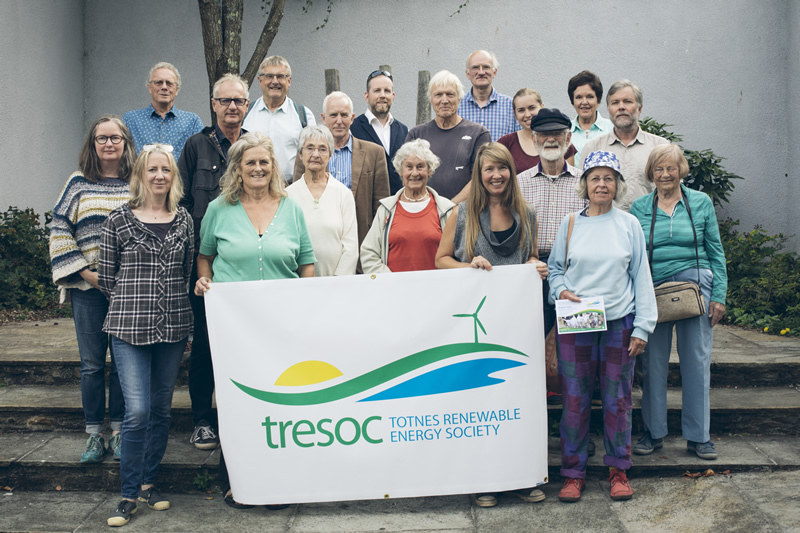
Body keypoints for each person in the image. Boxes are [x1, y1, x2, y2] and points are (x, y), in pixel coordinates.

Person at [194, 131, 315, 509]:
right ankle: (236, 480)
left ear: (273, 166)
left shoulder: (291, 206)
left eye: (265, 162)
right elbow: (205, 257)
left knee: (281, 402)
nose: (259, 168)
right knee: (238, 403)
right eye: (250, 163)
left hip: (282, 327)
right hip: (237, 328)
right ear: (238, 169)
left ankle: (281, 481)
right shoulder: (219, 209)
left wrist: (305, 306)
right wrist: (205, 282)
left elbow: (306, 262)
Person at [435, 142, 548, 509]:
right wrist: (469, 267)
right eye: (488, 170)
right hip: (477, 329)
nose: (496, 175)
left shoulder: (526, 213)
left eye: (502, 168)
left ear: (510, 172)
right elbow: (440, 260)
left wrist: (536, 265)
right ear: (479, 175)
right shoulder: (463, 213)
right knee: (480, 406)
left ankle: (522, 476)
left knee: (517, 403)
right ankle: (484, 479)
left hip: (516, 327)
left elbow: (529, 256)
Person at [547, 150, 657, 503]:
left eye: (609, 178)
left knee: (617, 399)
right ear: (585, 184)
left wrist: (642, 327)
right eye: (595, 177)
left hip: (618, 322)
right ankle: (573, 472)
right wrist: (561, 289)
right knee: (575, 399)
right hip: (577, 320)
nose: (602, 184)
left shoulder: (628, 225)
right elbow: (555, 271)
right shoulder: (571, 224)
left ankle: (618, 469)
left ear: (618, 185)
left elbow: (641, 275)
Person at [99, 144, 193, 527]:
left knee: (161, 409)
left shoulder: (184, 219)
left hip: (172, 326)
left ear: (173, 176)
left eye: (165, 170)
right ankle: (127, 492)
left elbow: (186, 272)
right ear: (140, 175)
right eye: (152, 169)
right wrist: (135, 302)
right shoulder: (118, 221)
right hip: (128, 327)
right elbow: (107, 278)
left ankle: (149, 483)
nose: (159, 176)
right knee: (136, 411)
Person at [630, 144, 728, 460]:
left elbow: (716, 252)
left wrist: (719, 296)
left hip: (696, 290)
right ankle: (653, 432)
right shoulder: (640, 207)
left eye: (671, 168)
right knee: (652, 364)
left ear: (681, 170)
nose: (665, 174)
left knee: (696, 363)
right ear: (651, 173)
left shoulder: (700, 203)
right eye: (659, 169)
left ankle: (699, 437)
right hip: (653, 290)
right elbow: (633, 256)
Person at [49, 114, 135, 464]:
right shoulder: (78, 183)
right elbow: (59, 227)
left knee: (124, 362)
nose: (109, 143)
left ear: (126, 143)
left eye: (116, 138)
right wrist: (84, 272)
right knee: (92, 365)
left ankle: (118, 432)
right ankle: (93, 435)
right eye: (102, 138)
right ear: (93, 144)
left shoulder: (137, 181)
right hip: (88, 288)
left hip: (129, 290)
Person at [178, 73, 250, 451]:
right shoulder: (195, 146)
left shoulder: (256, 145)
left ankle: (244, 416)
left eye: (239, 101)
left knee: (248, 343)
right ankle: (203, 420)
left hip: (248, 262)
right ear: (214, 104)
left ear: (247, 105)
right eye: (225, 101)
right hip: (206, 263)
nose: (232, 107)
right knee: (205, 343)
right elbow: (182, 200)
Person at [516, 108, 586, 405]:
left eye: (557, 133)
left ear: (569, 137)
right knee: (531, 348)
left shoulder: (586, 182)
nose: (550, 139)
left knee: (577, 349)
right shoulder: (519, 183)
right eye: (544, 134)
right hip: (531, 272)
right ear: (534, 139)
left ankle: (579, 422)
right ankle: (536, 418)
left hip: (577, 274)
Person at [293, 91, 390, 254]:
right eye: (333, 115)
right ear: (323, 118)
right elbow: (298, 198)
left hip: (362, 243)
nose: (339, 121)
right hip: (316, 244)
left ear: (352, 118)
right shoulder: (307, 156)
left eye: (344, 115)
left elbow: (381, 207)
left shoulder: (374, 153)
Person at [360, 139, 455, 273]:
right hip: (394, 290)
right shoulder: (386, 209)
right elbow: (369, 253)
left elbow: (459, 253)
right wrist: (389, 280)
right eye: (409, 167)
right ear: (400, 171)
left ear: (429, 170)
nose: (414, 173)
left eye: (420, 166)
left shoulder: (446, 209)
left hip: (436, 290)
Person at [579, 80, 668, 211]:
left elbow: (672, 192)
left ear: (640, 108)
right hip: (605, 225)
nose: (621, 107)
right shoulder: (593, 148)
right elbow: (582, 194)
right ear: (609, 109)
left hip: (649, 226)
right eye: (615, 103)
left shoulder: (660, 147)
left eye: (627, 101)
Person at [406, 70, 491, 204]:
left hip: (465, 214)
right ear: (430, 99)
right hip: (425, 212)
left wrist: (449, 208)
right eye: (438, 95)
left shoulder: (478, 134)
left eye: (450, 94)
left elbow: (480, 178)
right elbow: (408, 176)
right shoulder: (416, 134)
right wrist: (430, 210)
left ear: (460, 98)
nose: (444, 100)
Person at [287, 124, 358, 276]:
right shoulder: (287, 196)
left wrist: (337, 281)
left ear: (330, 155)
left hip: (336, 285)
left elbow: (351, 247)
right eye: (310, 148)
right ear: (300, 154)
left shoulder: (343, 194)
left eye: (322, 149)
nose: (316, 154)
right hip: (298, 282)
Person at [243, 55, 315, 182]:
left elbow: (313, 155)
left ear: (289, 81)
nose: (275, 81)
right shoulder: (245, 113)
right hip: (252, 188)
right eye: (269, 76)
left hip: (291, 189)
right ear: (260, 81)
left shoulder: (303, 115)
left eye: (280, 76)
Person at [123, 62, 203, 160]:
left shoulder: (192, 122)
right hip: (141, 175)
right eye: (159, 83)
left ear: (177, 90)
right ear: (149, 88)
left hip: (180, 176)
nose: (164, 87)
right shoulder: (131, 120)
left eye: (169, 83)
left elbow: (201, 158)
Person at [350, 69, 409, 195]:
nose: (382, 95)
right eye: (377, 90)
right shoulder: (353, 129)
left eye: (387, 91)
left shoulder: (404, 130)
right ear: (367, 96)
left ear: (393, 96)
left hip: (398, 207)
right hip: (366, 208)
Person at [497, 89, 576, 173]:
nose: (527, 115)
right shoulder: (506, 143)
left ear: (542, 107)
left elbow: (569, 178)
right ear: (515, 114)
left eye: (532, 108)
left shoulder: (561, 142)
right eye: (521, 110)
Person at [458, 50, 518, 141]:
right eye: (475, 67)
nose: (481, 72)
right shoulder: (457, 106)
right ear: (468, 74)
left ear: (494, 72)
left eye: (486, 67)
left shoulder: (511, 106)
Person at [567, 70, 613, 164]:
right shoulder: (565, 131)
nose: (584, 102)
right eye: (579, 97)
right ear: (573, 101)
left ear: (598, 100)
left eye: (590, 97)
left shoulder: (612, 129)